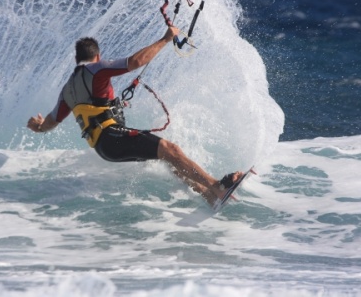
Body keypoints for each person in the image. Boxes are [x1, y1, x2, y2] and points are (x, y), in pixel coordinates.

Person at [27, 26, 242, 206]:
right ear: (97, 56)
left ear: (77, 59)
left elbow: (48, 124)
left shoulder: (67, 91)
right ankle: (218, 187)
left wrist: (37, 125)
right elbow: (136, 62)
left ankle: (209, 196)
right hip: (112, 137)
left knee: (169, 158)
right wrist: (166, 38)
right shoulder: (96, 69)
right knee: (171, 150)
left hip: (105, 148)